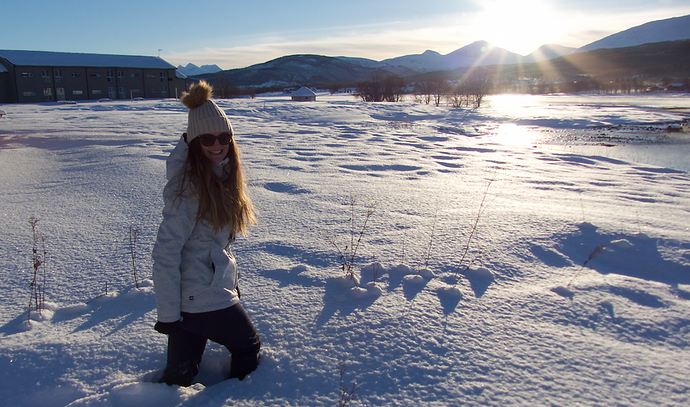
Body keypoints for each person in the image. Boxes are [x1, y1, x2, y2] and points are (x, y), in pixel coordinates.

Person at [151, 80, 260, 387]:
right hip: (203, 295)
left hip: (195, 296)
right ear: (193, 142)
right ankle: (242, 395)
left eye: (224, 136)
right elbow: (165, 251)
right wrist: (168, 314)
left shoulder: (221, 176)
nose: (217, 144)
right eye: (207, 138)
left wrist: (176, 316)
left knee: (179, 375)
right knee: (247, 346)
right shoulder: (189, 189)